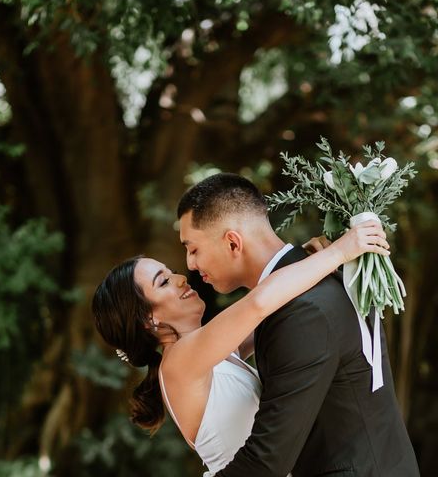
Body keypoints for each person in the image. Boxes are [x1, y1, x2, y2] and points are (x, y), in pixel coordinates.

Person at [92, 205, 389, 474]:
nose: (181, 278)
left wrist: (306, 258)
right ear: (148, 319)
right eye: (164, 281)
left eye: (171, 273)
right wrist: (339, 251)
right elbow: (258, 304)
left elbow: (274, 309)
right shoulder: (179, 364)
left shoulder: (209, 355)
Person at [177, 173, 420, 476]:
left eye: (193, 248)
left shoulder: (301, 311)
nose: (189, 264)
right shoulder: (328, 274)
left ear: (232, 242)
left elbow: (267, 462)